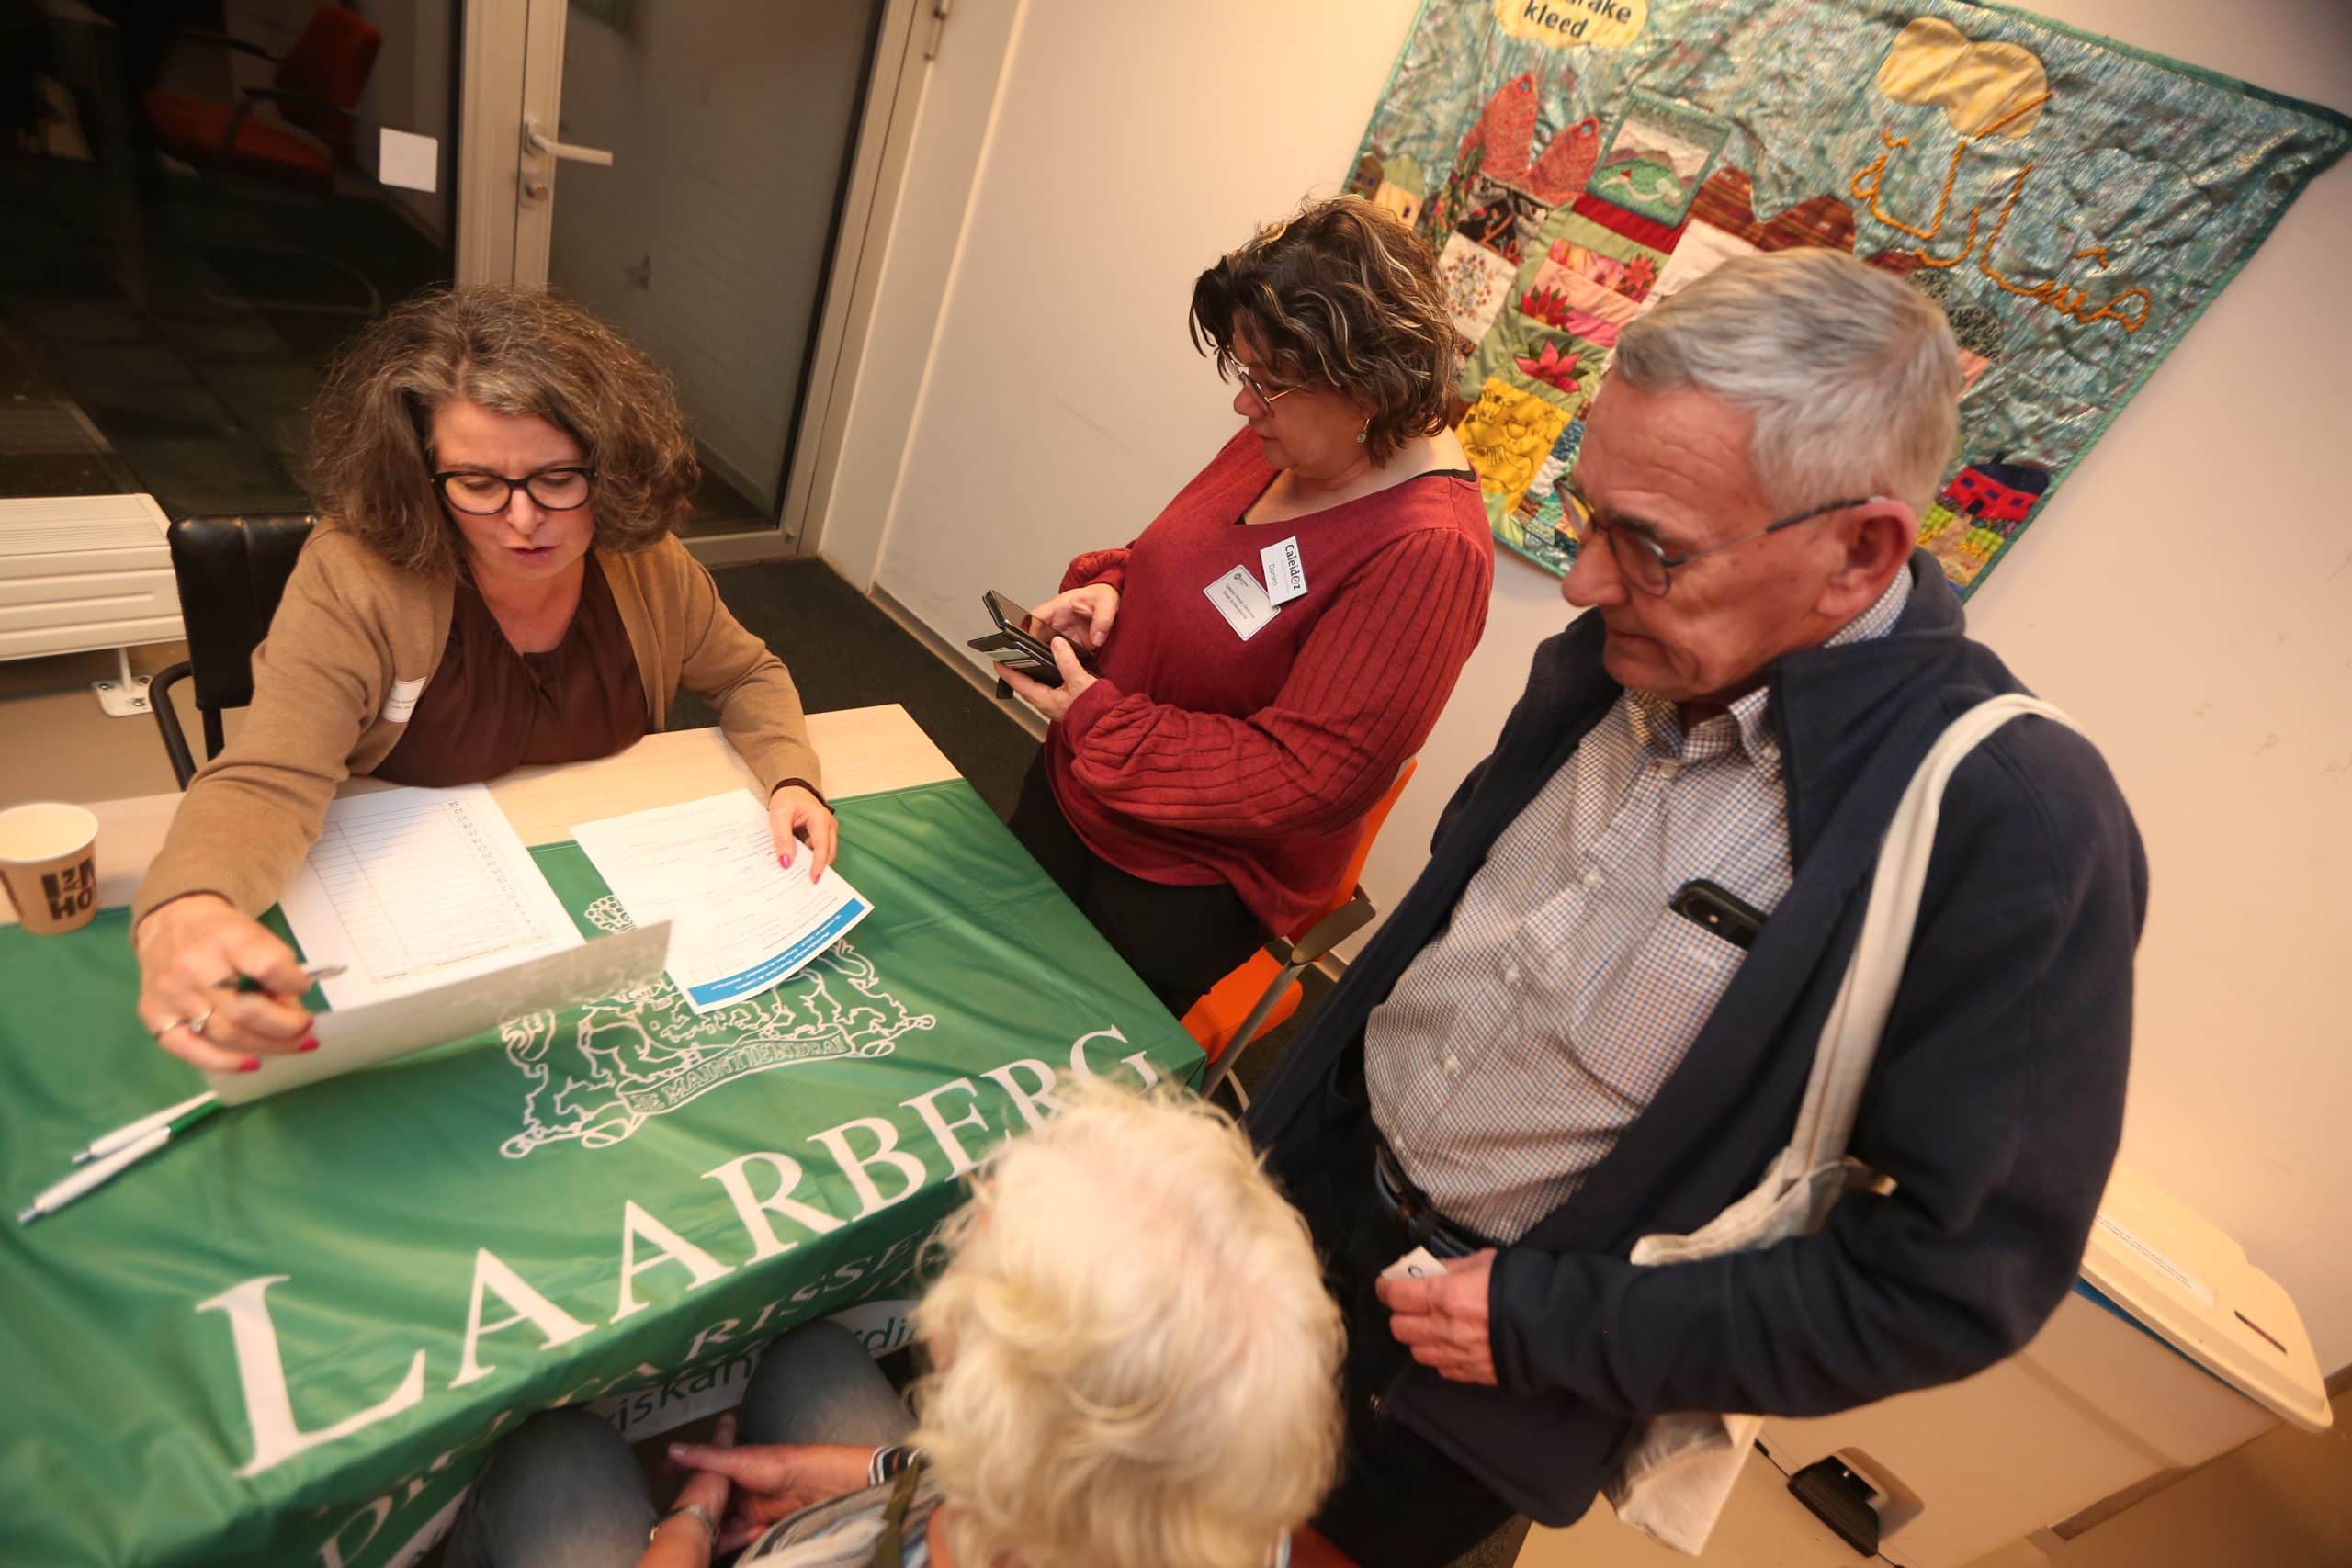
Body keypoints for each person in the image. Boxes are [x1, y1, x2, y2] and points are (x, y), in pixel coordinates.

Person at [1245, 249, 2149, 1567]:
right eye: (1586, 513)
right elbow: (1450, 936)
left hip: (1467, 1352)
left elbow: (1955, 1281)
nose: (1579, 582)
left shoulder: (2011, 822)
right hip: (1304, 1195)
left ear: (1857, 553)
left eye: (1651, 546)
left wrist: (1563, 1328)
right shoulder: (1625, 652)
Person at [130, 286, 836, 1073]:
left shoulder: (645, 563)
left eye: (558, 478)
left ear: (610, 468)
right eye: (477, 483)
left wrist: (790, 776)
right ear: (421, 474)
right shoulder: (355, 578)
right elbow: (270, 777)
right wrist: (186, 907)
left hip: (608, 899)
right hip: (420, 908)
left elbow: (748, 674)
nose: (523, 520)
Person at [442, 1085, 1347, 1568]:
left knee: (553, 1464)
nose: (979, 1209)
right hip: (900, 1517)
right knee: (813, 1359)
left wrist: (682, 1531)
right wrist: (876, 1473)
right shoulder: (1229, 1516)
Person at [1003, 195, 1493, 1016]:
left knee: (1046, 1055)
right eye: (1246, 373)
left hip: (1177, 881)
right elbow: (1186, 560)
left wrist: (1103, 724)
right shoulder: (1294, 432)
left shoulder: (1429, 551)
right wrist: (1115, 587)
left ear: (1366, 389)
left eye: (1266, 383)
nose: (1244, 403)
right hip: (1085, 782)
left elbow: (1306, 774)